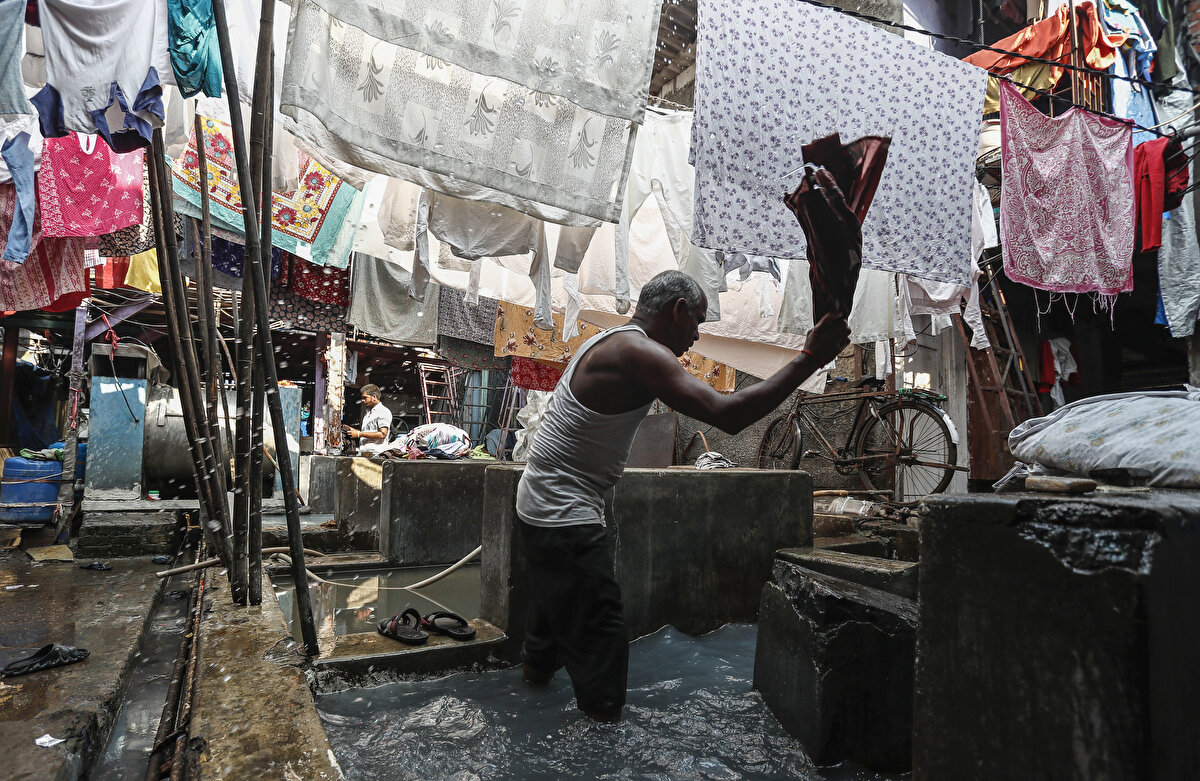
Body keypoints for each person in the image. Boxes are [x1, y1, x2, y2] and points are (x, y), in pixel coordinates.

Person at [516, 276, 852, 722]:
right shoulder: (638, 351)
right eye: (697, 320)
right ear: (677, 310)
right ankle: (602, 740)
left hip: (541, 503)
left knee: (552, 619)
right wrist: (809, 358)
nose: (696, 334)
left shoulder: (614, 341)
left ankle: (528, 696)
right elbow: (727, 414)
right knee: (602, 636)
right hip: (563, 512)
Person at [343, 384, 392, 455]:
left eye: (365, 398)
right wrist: (354, 431)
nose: (363, 400)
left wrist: (359, 434)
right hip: (365, 452)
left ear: (374, 397)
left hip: (376, 454)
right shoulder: (368, 413)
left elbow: (382, 434)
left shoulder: (383, 411)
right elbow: (368, 432)